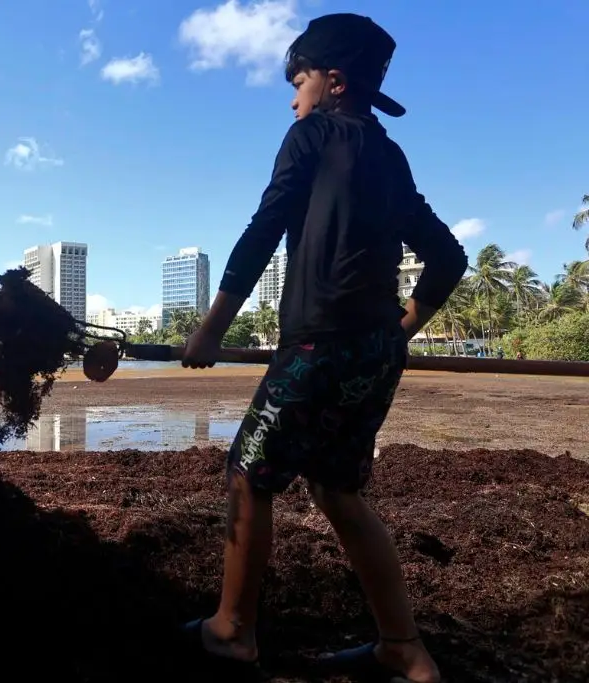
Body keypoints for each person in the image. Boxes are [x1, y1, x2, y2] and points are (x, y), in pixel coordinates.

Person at [180, 14, 467, 683]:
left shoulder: (309, 135)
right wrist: (399, 329)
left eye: (299, 81)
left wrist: (213, 327)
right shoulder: (391, 156)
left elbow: (263, 229)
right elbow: (447, 257)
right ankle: (401, 645)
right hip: (373, 353)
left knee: (249, 477)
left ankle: (232, 631)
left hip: (316, 344)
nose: (293, 97)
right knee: (338, 488)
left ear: (333, 83)